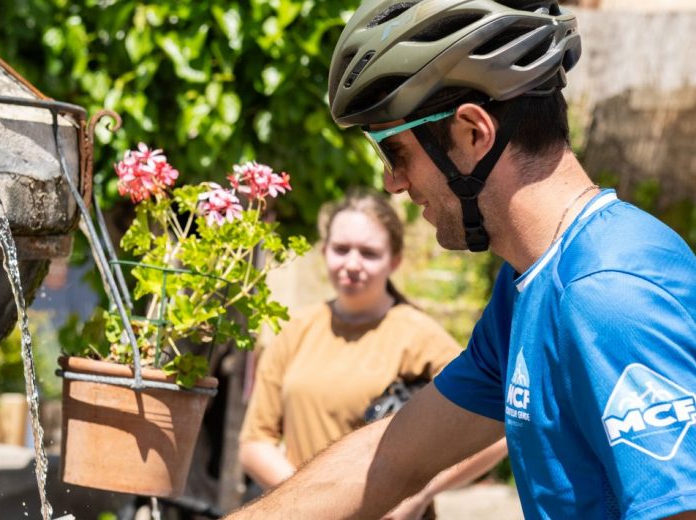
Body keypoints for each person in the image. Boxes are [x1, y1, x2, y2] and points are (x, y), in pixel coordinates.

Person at [226, 0, 696, 519]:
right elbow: (388, 462)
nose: (393, 182)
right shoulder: (528, 285)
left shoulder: (607, 292)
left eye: (394, 151)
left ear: (473, 133)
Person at [238, 190, 508, 519]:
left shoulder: (417, 335)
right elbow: (255, 442)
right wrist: (312, 502)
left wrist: (420, 492)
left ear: (394, 260)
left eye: (368, 253)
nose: (352, 264)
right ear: (324, 252)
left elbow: (497, 425)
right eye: (341, 249)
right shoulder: (295, 330)